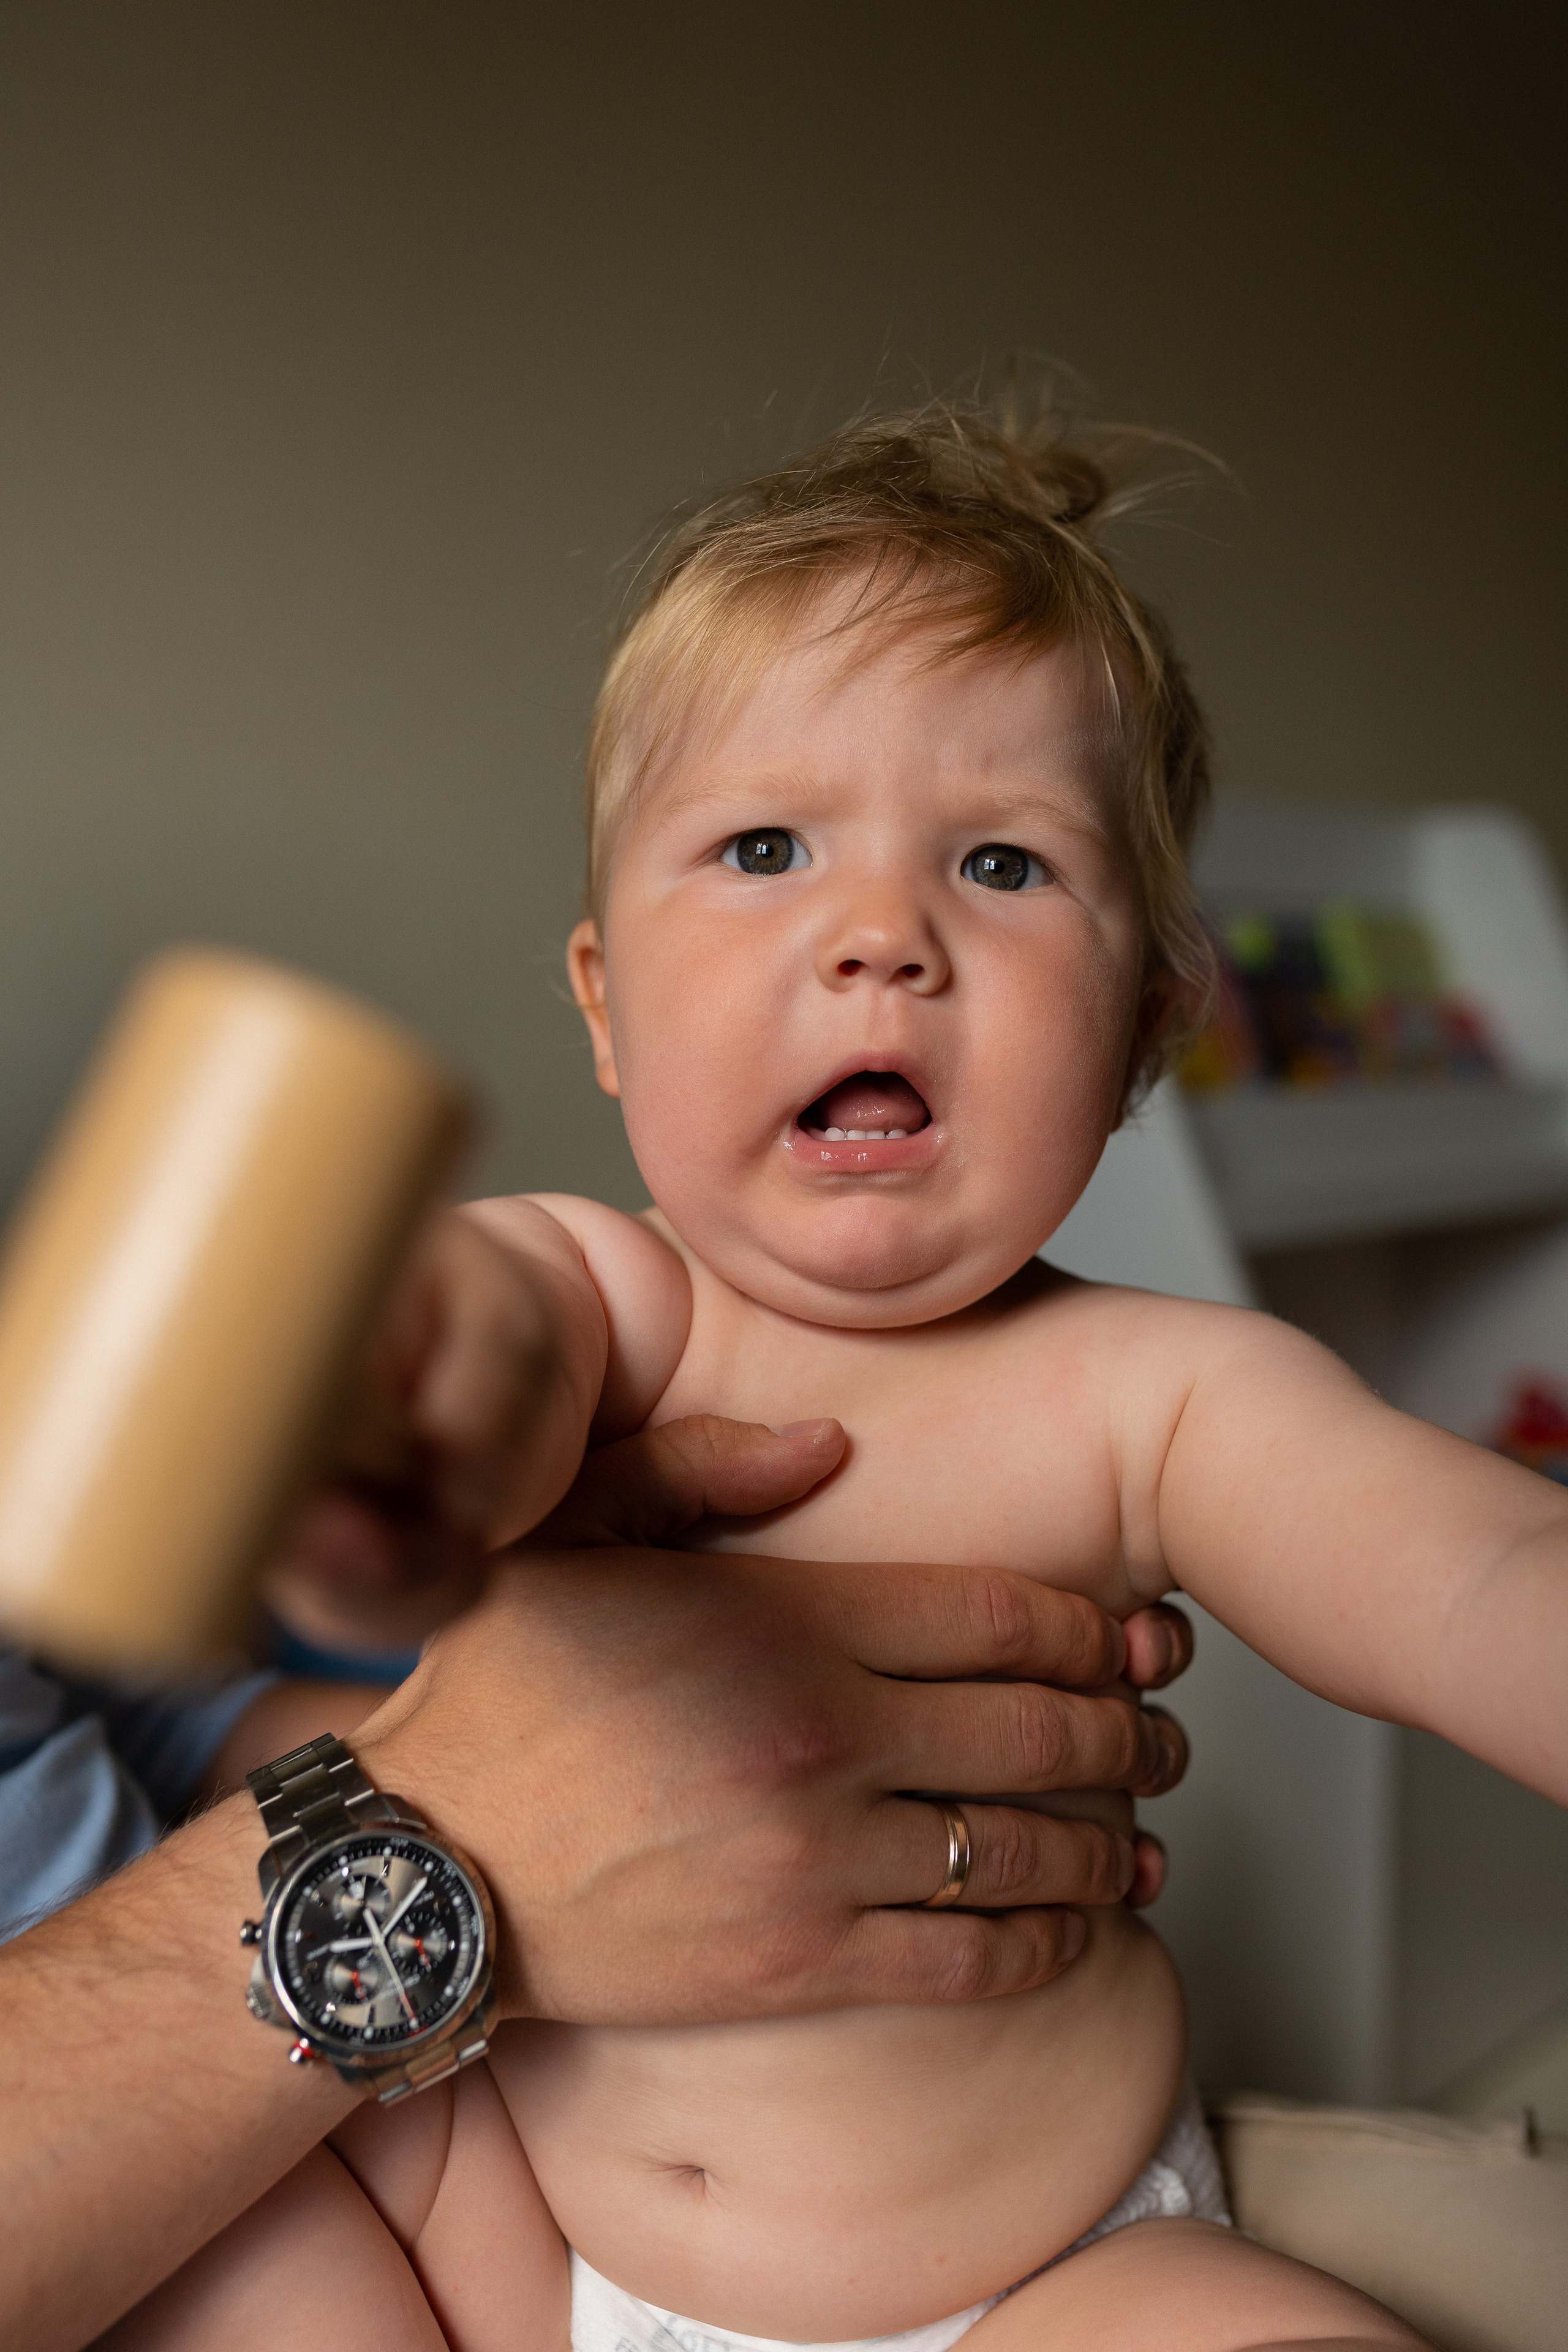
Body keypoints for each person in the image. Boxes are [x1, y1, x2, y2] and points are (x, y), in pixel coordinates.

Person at [99, 394, 1568, 2352]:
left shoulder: (1159, 1394)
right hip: (521, 2250)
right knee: (230, 2248)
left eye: (1005, 866)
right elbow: (484, 1358)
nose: (883, 937)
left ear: (1144, 1029)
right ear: (609, 1004)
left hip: (1036, 2280)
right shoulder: (612, 1303)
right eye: (767, 847)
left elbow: (1471, 1581)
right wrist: (384, 1431)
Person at [6, 1366, 1191, 2352]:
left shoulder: (1139, 1369)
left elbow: (112, 1727)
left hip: (1054, 2239)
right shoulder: (587, 1277)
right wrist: (461, 1821)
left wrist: (559, 1730)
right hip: (398, 2230)